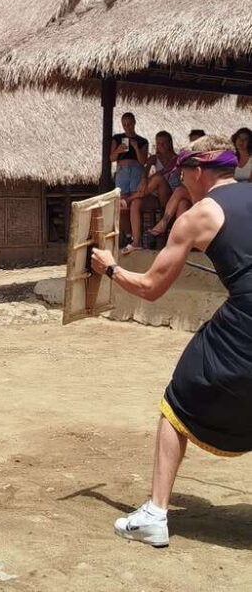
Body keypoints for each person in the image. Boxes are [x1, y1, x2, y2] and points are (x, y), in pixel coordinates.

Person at [91, 136, 252, 547]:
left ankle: (155, 514)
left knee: (176, 403)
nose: (181, 179)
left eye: (183, 172)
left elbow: (149, 288)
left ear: (199, 172)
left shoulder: (198, 216)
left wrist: (110, 269)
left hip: (245, 324)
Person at [122, 131, 179, 255]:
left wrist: (148, 180)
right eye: (158, 143)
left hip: (172, 196)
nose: (161, 146)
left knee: (158, 177)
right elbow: (145, 169)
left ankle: (129, 198)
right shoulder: (154, 158)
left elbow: (165, 173)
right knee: (136, 203)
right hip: (156, 194)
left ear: (170, 143)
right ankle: (136, 242)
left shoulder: (178, 159)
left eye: (163, 143)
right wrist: (143, 179)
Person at [147, 129, 205, 238]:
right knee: (182, 204)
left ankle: (164, 223)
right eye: (192, 143)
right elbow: (163, 172)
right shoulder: (185, 160)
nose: (194, 146)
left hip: (204, 196)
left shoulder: (209, 160)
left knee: (180, 190)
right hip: (188, 196)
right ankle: (180, 239)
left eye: (198, 142)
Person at [110, 112, 148, 198]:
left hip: (137, 169)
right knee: (122, 199)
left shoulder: (142, 141)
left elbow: (143, 162)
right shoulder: (117, 138)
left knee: (135, 198)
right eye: (124, 125)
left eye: (129, 124)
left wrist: (136, 148)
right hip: (122, 170)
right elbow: (111, 158)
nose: (127, 127)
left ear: (134, 122)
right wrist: (118, 150)